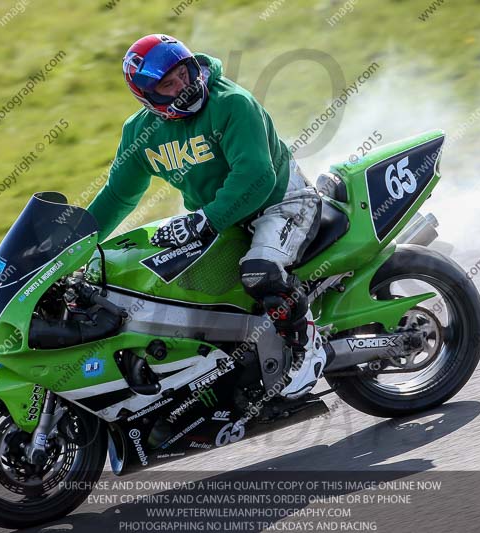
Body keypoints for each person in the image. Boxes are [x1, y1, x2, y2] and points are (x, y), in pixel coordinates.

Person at [86, 34, 325, 399]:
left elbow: (256, 177)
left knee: (259, 272)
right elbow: (118, 195)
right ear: (148, 97)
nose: (184, 85)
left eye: (184, 72)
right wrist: (74, 245)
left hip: (281, 203)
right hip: (220, 220)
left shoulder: (233, 104)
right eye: (169, 84)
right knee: (171, 288)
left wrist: (204, 221)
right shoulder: (140, 133)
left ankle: (306, 350)